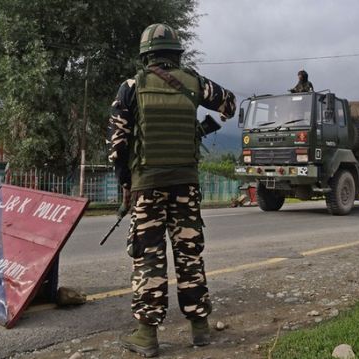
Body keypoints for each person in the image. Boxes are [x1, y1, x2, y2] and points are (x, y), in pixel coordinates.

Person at [108, 23, 236, 357]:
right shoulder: (196, 83)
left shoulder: (131, 87)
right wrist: (202, 130)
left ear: (146, 55)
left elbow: (118, 146)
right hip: (186, 186)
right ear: (176, 54)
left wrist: (125, 184)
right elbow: (230, 105)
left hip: (147, 187)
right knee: (189, 255)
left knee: (149, 257)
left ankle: (147, 336)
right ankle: (200, 329)